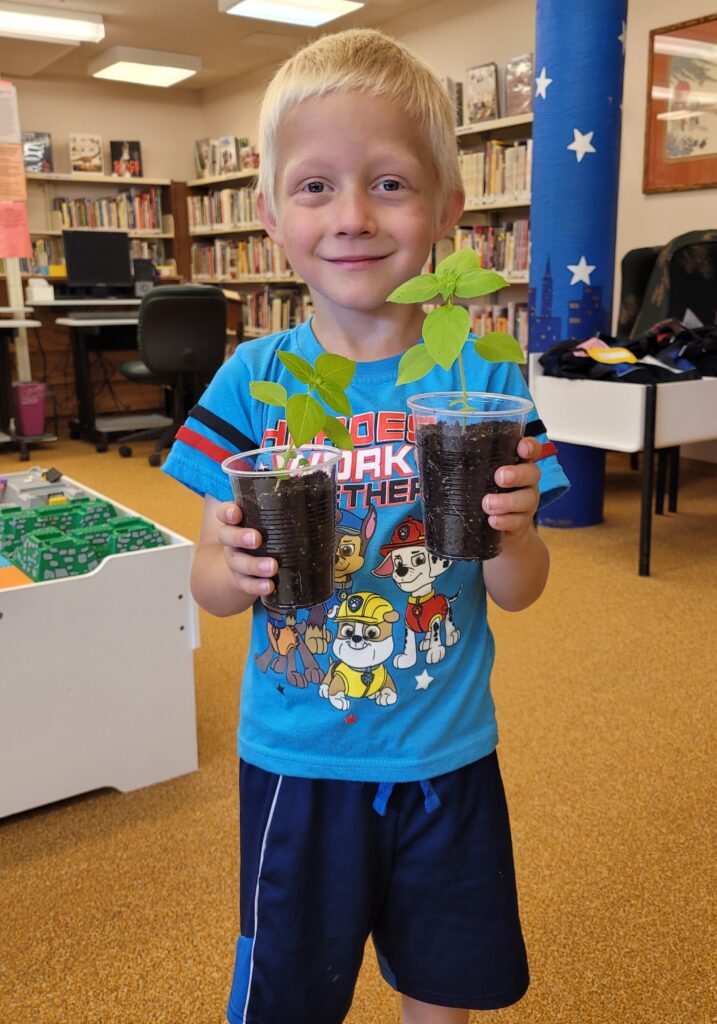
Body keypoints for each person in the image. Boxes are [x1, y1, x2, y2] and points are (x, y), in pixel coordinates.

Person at [163, 28, 569, 1024]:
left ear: (448, 209)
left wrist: (513, 534)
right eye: (315, 187)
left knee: (446, 987)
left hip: (449, 756)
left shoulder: (483, 374)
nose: (351, 217)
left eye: (389, 184)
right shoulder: (253, 381)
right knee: (289, 995)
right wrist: (237, 567)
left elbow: (521, 588)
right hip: (302, 764)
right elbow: (207, 590)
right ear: (268, 216)